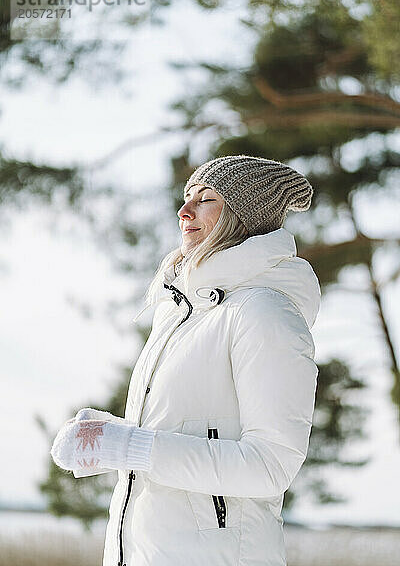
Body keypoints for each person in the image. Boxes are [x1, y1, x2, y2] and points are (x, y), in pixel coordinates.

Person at [50, 155, 321, 566]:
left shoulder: (264, 313)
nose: (183, 211)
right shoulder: (180, 312)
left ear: (242, 217)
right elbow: (188, 434)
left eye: (206, 198)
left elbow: (271, 465)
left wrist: (131, 446)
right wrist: (112, 439)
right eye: (186, 197)